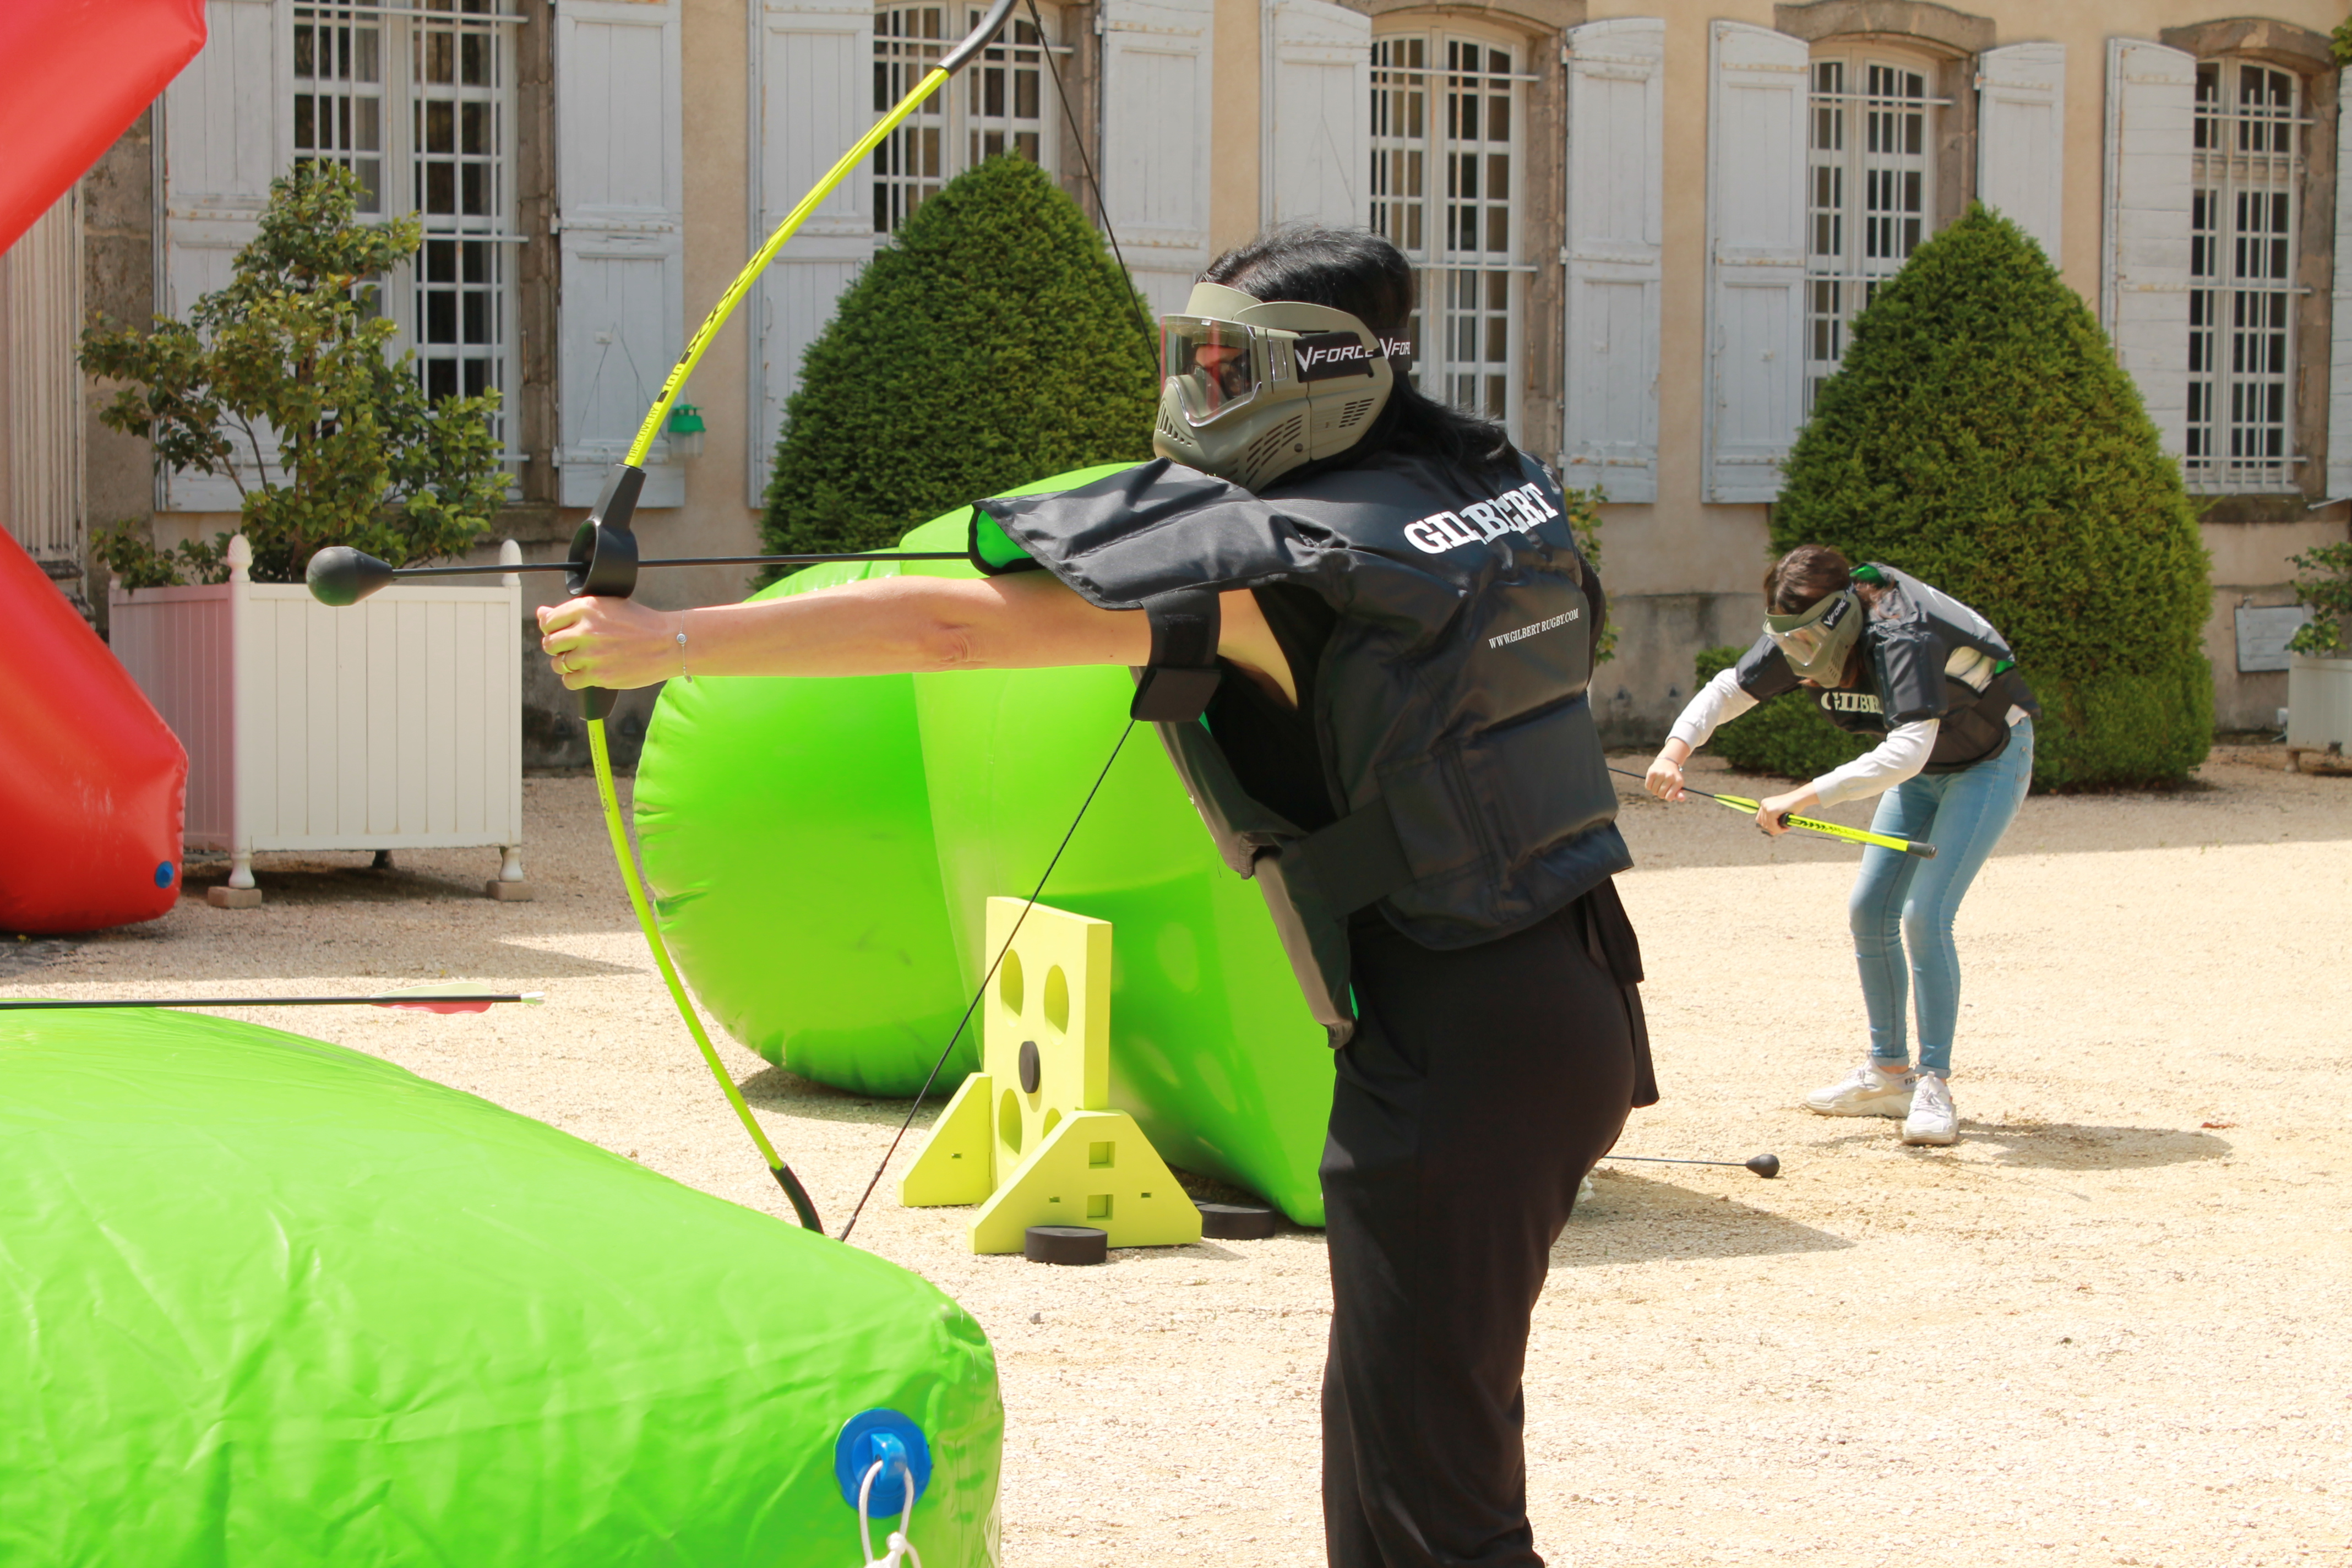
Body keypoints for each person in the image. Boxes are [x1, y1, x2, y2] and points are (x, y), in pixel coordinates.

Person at [537, 226, 1654, 1568]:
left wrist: (666, 640)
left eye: (1234, 360)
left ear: (1327, 372)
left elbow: (949, 626)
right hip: (1575, 998)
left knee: (1434, 1498)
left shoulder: (1273, 566)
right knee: (1416, 1431)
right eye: (1193, 354)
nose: (1200, 385)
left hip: (1452, 1050)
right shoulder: (1491, 484)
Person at [1645, 545, 2038, 1146]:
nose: (1796, 656)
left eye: (1804, 641)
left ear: (1838, 619)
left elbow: (1906, 750)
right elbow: (1730, 688)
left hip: (1988, 758)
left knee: (1926, 915)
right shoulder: (1803, 629)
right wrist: (1675, 752)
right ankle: (1888, 1075)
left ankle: (1933, 1082)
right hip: (1925, 768)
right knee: (1869, 909)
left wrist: (1803, 797)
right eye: (1786, 640)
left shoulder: (1899, 632)